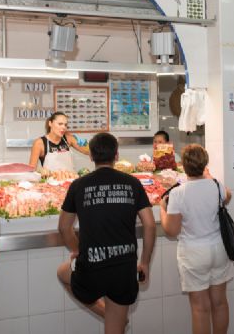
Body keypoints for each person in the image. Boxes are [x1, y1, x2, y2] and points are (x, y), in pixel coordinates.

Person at [57, 132, 156, 334]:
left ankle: (105, 313)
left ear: (91, 156)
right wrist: (144, 262)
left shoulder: (78, 185)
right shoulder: (133, 184)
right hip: (123, 268)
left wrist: (76, 250)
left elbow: (64, 227)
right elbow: (150, 225)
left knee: (62, 273)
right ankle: (112, 318)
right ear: (117, 155)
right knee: (115, 330)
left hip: (91, 267)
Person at [160, 144, 232, 334]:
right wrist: (209, 177)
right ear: (205, 164)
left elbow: (171, 230)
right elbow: (228, 196)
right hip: (219, 250)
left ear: (183, 166)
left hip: (194, 254)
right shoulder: (216, 185)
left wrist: (162, 209)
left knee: (200, 308)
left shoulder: (178, 193)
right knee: (220, 303)